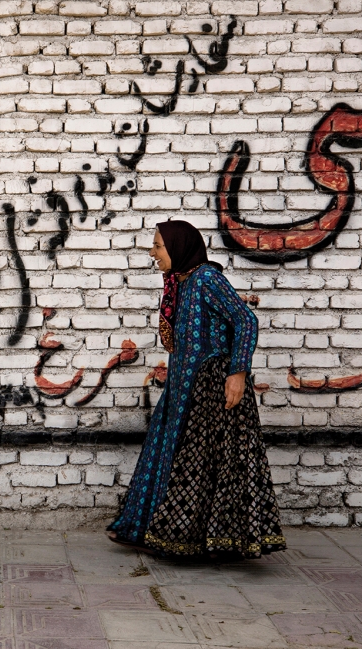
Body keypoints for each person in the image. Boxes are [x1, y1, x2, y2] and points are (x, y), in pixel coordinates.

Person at [106, 220, 285, 559]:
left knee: (199, 464)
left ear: (178, 247)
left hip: (209, 386)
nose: (153, 252)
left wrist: (238, 372)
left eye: (158, 246)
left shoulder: (206, 279)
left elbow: (246, 321)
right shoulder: (181, 283)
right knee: (172, 456)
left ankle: (192, 541)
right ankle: (155, 531)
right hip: (182, 385)